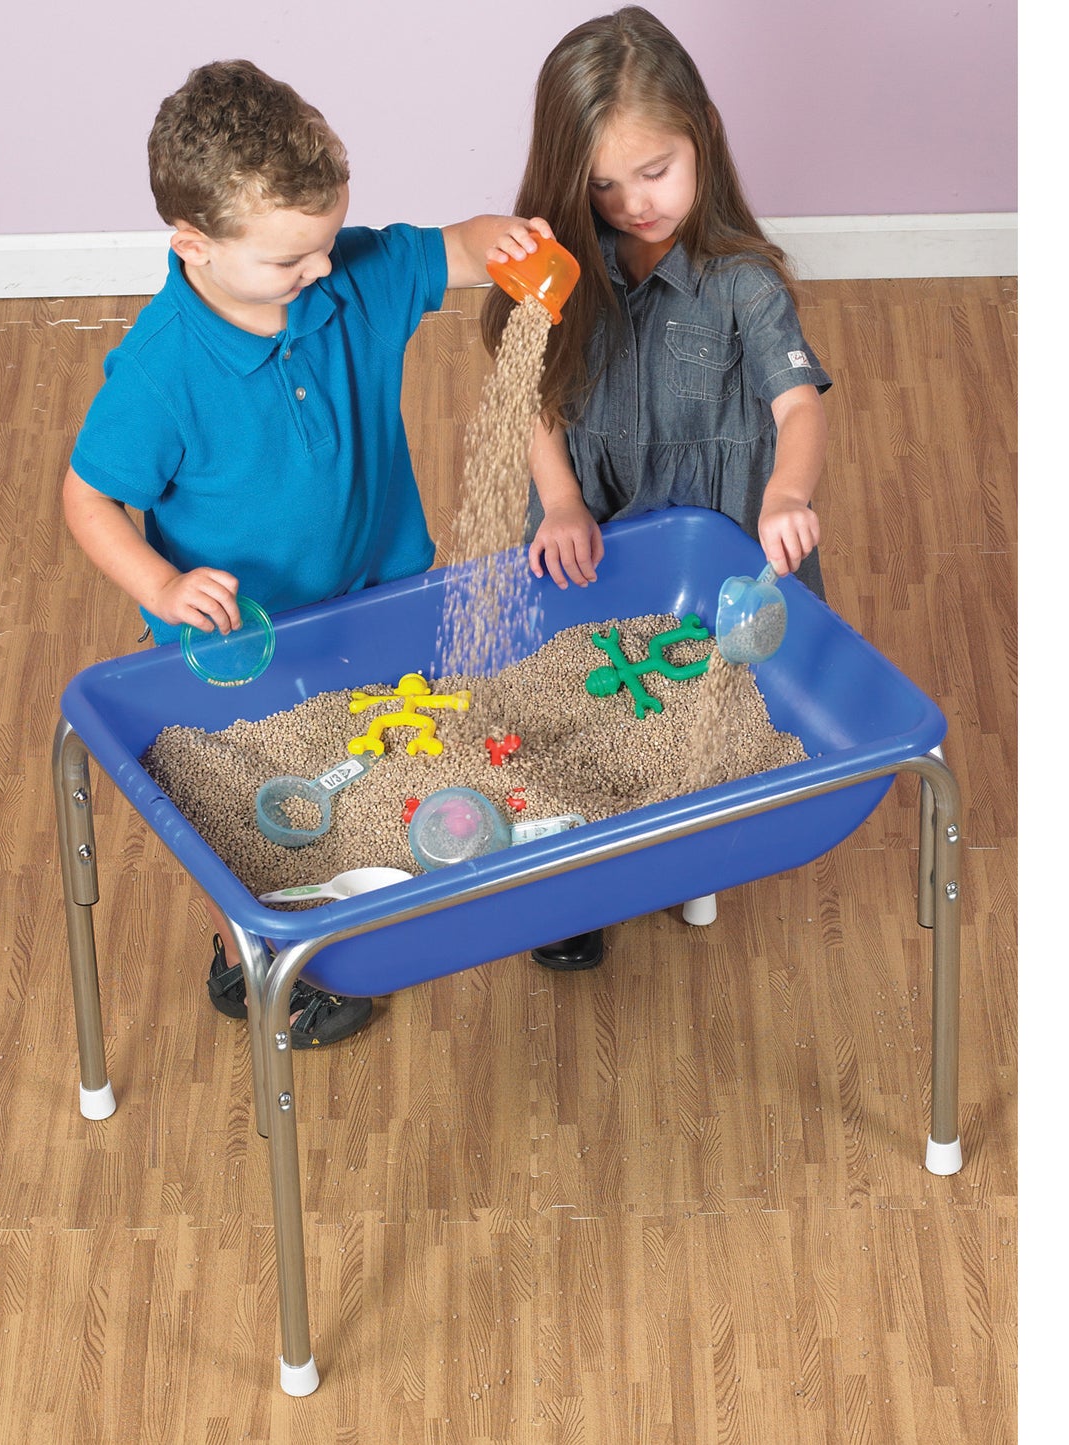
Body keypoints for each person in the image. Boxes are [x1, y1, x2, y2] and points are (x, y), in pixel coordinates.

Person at [63, 58, 554, 1042]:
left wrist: (502, 242)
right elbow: (88, 498)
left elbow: (454, 248)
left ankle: (360, 893)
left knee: (361, 756)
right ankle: (246, 959)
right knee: (240, 809)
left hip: (374, 595)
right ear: (194, 246)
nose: (320, 270)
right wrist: (162, 581)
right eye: (291, 260)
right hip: (237, 639)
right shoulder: (160, 374)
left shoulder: (351, 278)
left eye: (327, 243)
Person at [481, 6, 833, 972]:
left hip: (715, 533)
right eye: (602, 184)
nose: (633, 204)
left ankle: (687, 844)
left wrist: (786, 494)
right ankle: (578, 873)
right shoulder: (562, 267)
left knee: (698, 698)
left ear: (702, 137)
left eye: (654, 171)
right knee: (577, 696)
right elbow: (529, 393)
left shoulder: (743, 282)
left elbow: (798, 407)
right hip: (591, 524)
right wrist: (559, 500)